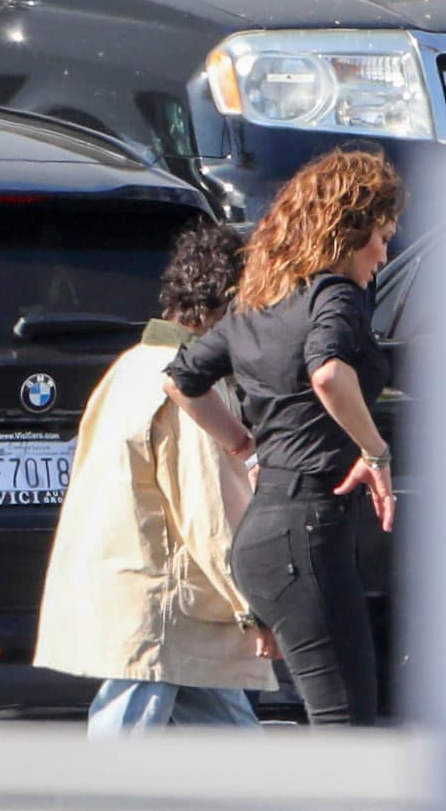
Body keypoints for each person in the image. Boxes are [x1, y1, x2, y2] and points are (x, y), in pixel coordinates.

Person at [164, 147, 400, 726]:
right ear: (348, 229)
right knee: (347, 725)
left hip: (268, 535)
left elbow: (180, 380)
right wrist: (376, 451)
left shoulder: (258, 306)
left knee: (334, 719)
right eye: (382, 235)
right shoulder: (334, 295)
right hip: (306, 533)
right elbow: (328, 372)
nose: (384, 253)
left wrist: (243, 445)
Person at [34, 221, 278, 737]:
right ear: (228, 306)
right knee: (124, 743)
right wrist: (256, 607)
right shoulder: (190, 381)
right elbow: (214, 509)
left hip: (151, 599)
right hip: (168, 606)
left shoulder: (130, 366)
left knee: (232, 743)